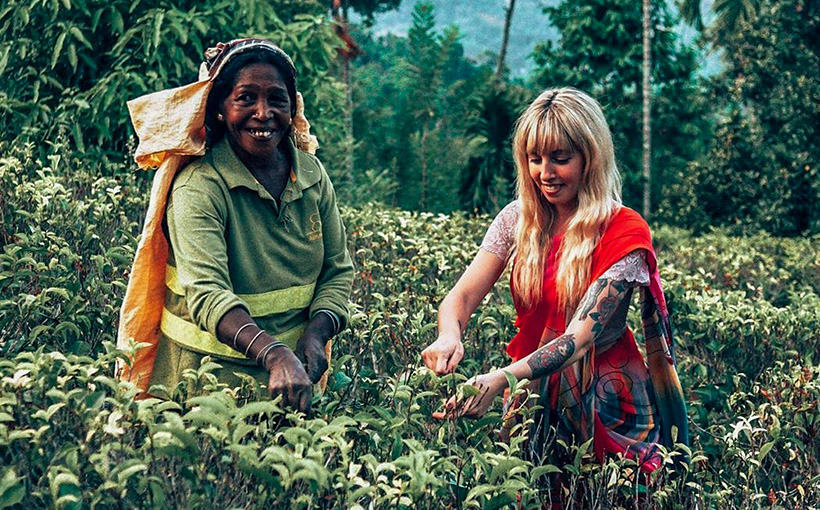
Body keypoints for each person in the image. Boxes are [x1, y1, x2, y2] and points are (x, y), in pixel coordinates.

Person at [422, 88, 688, 470]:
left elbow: (578, 341)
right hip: (530, 396)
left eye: (560, 159)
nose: (545, 174)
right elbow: (461, 297)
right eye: (535, 159)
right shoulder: (519, 218)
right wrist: (450, 335)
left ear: (590, 158)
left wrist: (500, 378)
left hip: (608, 400)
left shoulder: (624, 230)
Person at [118, 39, 353, 414]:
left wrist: (317, 332)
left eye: (277, 99)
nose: (263, 113)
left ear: (292, 109)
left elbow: (337, 271)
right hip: (199, 388)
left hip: (292, 387)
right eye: (246, 98)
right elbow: (208, 294)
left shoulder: (311, 176)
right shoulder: (201, 187)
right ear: (221, 110)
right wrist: (274, 353)